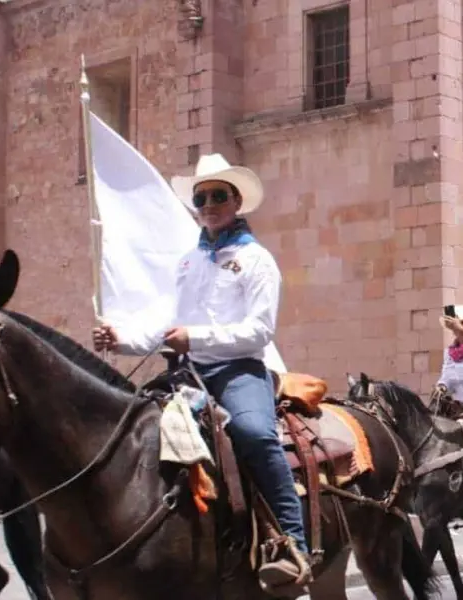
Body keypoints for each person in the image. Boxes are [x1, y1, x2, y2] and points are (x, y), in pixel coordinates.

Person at [91, 154, 312, 589]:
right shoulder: (188, 262)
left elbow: (259, 330)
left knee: (254, 434)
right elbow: (165, 323)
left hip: (238, 370)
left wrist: (195, 338)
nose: (208, 203)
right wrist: (120, 339)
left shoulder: (256, 260)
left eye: (218, 195)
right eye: (201, 197)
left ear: (236, 203)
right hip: (186, 373)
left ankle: (292, 542)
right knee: (132, 428)